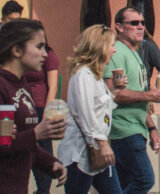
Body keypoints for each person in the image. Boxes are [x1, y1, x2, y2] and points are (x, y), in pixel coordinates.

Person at [0, 19, 68, 193]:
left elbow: (23, 142)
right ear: (16, 50)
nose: (45, 54)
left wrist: (49, 162)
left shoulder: (22, 85)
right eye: (39, 47)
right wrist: (36, 134)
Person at [103, 7, 160, 194]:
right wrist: (151, 95)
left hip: (136, 128)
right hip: (123, 130)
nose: (140, 27)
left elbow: (137, 97)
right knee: (144, 180)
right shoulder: (117, 54)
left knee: (124, 185)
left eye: (142, 22)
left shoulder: (135, 53)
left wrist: (152, 129)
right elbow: (115, 94)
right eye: (134, 23)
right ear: (119, 27)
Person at [59, 24, 122, 194]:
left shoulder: (95, 75)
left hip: (96, 152)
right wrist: (103, 144)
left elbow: (100, 108)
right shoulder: (83, 75)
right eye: (112, 45)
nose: (114, 50)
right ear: (100, 47)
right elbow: (86, 113)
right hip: (81, 152)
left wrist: (114, 93)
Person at [23, 23, 60, 194]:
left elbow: (52, 87)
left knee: (43, 152)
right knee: (27, 150)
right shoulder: (25, 56)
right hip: (24, 107)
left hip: (40, 107)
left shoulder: (49, 55)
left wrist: (47, 112)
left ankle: (43, 190)